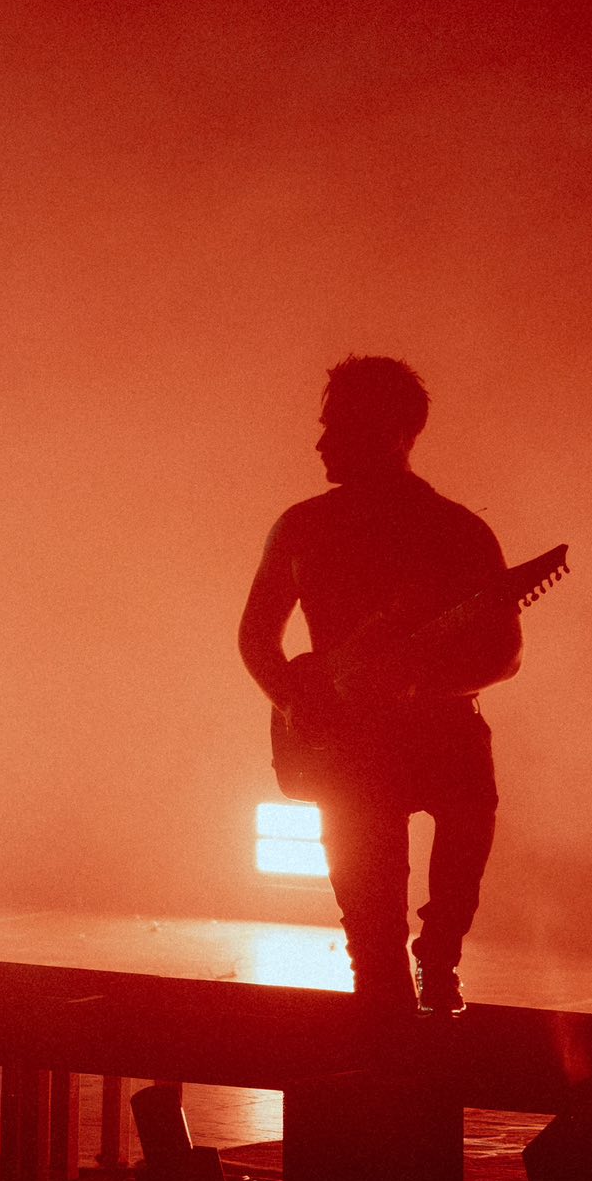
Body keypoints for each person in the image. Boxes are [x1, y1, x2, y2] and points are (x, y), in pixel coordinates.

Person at [239, 356, 521, 1018]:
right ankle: (408, 982)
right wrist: (296, 701)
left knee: (467, 812)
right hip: (350, 751)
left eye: (339, 426)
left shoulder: (457, 531)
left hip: (433, 737)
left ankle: (439, 955)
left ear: (394, 432)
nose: (321, 443)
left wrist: (416, 689)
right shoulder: (303, 527)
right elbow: (256, 638)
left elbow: (505, 653)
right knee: (374, 949)